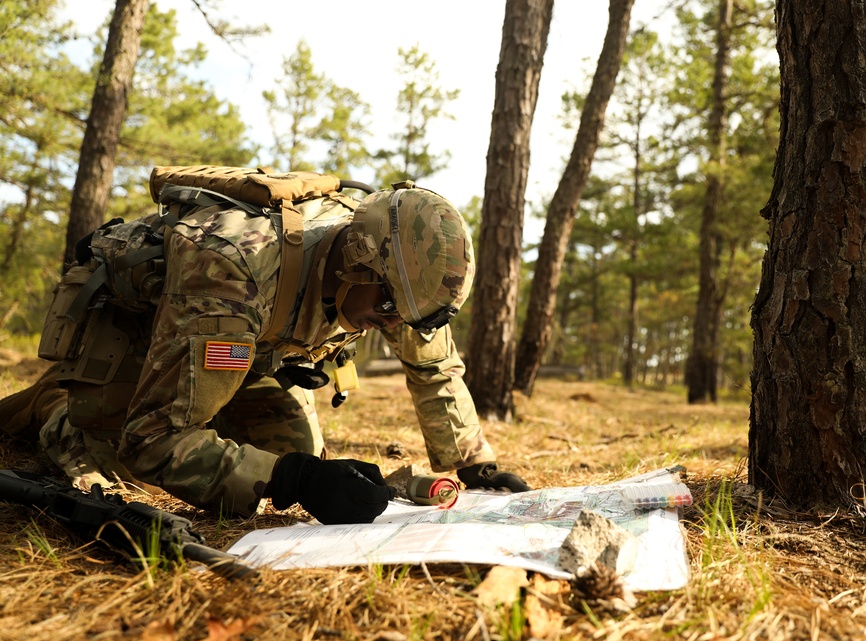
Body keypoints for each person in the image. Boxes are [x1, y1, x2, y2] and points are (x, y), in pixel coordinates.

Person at [0, 166, 529, 525]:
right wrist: (296, 481)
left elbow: (434, 368)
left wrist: (473, 465)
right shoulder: (234, 266)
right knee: (124, 461)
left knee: (289, 457)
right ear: (356, 261)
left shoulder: (398, 279)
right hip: (146, 337)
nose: (387, 326)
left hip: (249, 351)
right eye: (386, 309)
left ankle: (213, 408)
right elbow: (154, 440)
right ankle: (57, 406)